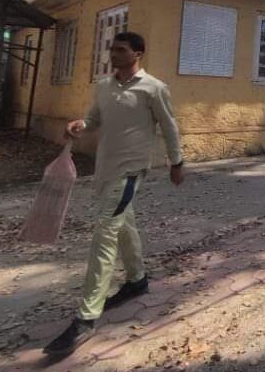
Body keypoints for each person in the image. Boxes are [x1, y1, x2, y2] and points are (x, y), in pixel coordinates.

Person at [44, 32, 183, 356]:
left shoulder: (154, 88)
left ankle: (86, 317)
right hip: (104, 169)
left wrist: (177, 162)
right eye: (112, 50)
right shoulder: (104, 86)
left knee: (104, 235)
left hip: (131, 172)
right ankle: (137, 280)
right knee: (123, 226)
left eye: (120, 50)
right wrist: (79, 124)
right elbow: (94, 119)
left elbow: (169, 126)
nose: (113, 55)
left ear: (138, 53)